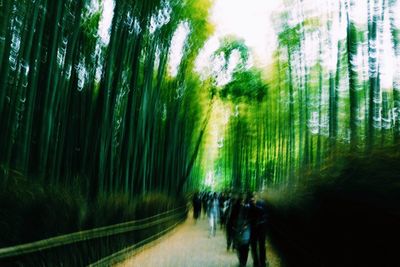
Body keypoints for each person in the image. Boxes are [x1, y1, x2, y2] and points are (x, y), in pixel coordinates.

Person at [249, 193, 268, 267]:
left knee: (262, 246)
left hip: (261, 227)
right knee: (253, 245)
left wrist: (255, 206)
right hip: (253, 227)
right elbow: (249, 214)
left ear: (258, 196)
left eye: (255, 195)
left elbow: (264, 213)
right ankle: (256, 262)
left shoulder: (262, 203)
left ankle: (262, 262)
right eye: (253, 195)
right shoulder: (250, 203)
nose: (254, 196)